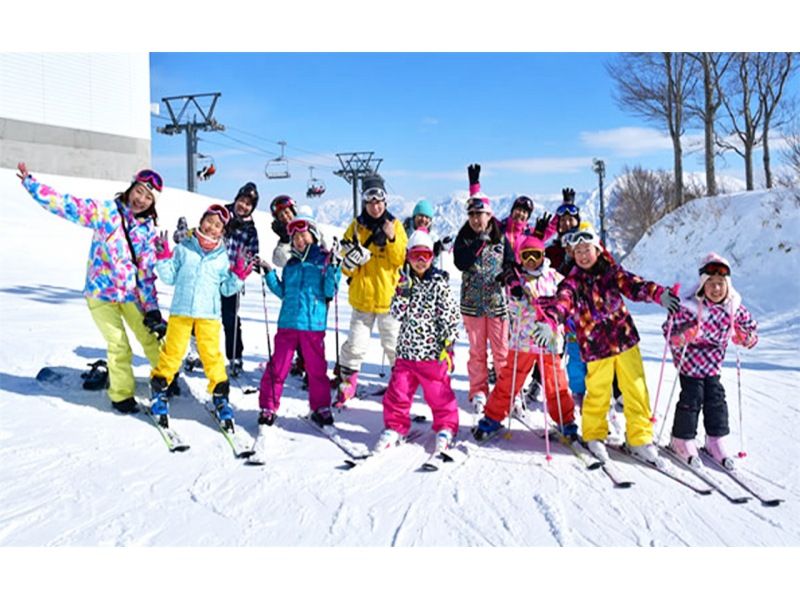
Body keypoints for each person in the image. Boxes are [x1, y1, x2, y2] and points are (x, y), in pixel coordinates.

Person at [18, 162, 166, 414]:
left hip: (130, 294)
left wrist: (152, 309)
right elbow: (67, 204)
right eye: (139, 191)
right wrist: (31, 184)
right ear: (131, 189)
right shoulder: (105, 212)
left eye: (148, 197)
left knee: (151, 337)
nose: (141, 199)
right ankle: (121, 395)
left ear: (153, 202)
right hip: (101, 293)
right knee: (119, 344)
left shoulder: (147, 231)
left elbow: (146, 274)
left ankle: (166, 379)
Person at [535, 224, 681, 465]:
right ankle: (594, 435)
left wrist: (659, 294)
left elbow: (636, 285)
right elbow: (562, 302)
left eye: (587, 249)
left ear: (597, 249)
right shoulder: (572, 282)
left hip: (625, 341)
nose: (583, 255)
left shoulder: (611, 273)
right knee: (598, 393)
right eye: (578, 251)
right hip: (596, 348)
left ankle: (639, 439)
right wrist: (550, 321)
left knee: (636, 390)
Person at [149, 204, 253, 428]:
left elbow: (226, 290)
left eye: (218, 225)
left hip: (208, 315)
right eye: (209, 221)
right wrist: (163, 257)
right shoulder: (184, 248)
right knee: (172, 353)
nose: (212, 227)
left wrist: (238, 276)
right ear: (201, 219)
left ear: (222, 232)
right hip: (181, 311)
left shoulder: (222, 258)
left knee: (211, 356)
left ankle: (220, 395)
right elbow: (169, 277)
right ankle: (159, 390)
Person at [473, 233, 577, 441]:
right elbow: (511, 307)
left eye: (535, 255)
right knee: (509, 382)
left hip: (549, 341)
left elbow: (566, 300)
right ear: (520, 257)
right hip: (522, 342)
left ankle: (566, 422)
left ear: (543, 255)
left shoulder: (554, 277)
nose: (531, 261)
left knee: (555, 383)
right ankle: (492, 417)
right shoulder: (517, 280)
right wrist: (519, 298)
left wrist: (561, 317)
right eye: (526, 256)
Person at [664, 253, 758, 470]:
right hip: (689, 363)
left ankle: (715, 439)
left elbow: (752, 330)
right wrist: (684, 335)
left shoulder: (733, 308)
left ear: (728, 285)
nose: (716, 289)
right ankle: (682, 438)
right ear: (702, 286)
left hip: (713, 365)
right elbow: (669, 331)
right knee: (692, 397)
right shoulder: (690, 306)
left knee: (716, 398)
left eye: (720, 284)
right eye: (711, 284)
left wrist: (745, 337)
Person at [373, 228, 461, 453]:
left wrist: (448, 344)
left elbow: (450, 315)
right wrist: (403, 293)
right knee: (398, 393)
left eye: (426, 256)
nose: (420, 262)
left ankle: (446, 426)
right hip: (406, 353)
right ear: (408, 257)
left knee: (439, 394)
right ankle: (395, 427)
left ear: (432, 257)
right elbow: (396, 313)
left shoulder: (438, 284)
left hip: (432, 354)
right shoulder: (404, 283)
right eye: (415, 256)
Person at [256, 217, 342, 428]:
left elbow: (329, 291)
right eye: (295, 237)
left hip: (313, 326)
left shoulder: (323, 260)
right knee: (278, 367)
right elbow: (284, 292)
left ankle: (320, 407)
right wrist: (269, 275)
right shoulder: (291, 264)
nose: (299, 239)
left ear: (313, 236)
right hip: (287, 323)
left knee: (316, 369)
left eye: (303, 234)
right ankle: (268, 406)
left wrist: (334, 268)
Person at [334, 174, 408, 406]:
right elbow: (345, 266)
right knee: (355, 344)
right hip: (363, 298)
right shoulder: (356, 228)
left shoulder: (395, 225)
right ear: (365, 202)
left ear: (385, 201)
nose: (375, 206)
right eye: (370, 200)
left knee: (394, 345)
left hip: (388, 300)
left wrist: (392, 237)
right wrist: (352, 261)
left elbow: (401, 260)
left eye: (379, 201)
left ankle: (400, 385)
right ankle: (348, 382)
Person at [453, 163, 516, 414]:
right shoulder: (465, 237)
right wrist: (476, 246)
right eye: (472, 215)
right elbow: (460, 262)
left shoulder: (500, 236)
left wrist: (508, 275)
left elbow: (511, 262)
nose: (477, 219)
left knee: (502, 351)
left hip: (496, 303)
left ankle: (505, 391)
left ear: (490, 215)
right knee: (477, 352)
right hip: (472, 303)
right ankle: (478, 390)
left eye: (482, 214)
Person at [221, 182, 261, 376]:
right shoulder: (220, 215)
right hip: (210, 276)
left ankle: (235, 355)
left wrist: (245, 267)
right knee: (201, 316)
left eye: (248, 204)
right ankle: (196, 353)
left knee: (230, 318)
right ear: (236, 199)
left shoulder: (250, 230)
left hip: (232, 279)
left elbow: (253, 253)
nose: (243, 206)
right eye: (242, 201)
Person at [545, 187, 581, 275]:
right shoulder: (551, 251)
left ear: (578, 222)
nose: (567, 224)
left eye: (570, 219)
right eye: (563, 220)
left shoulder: (587, 246)